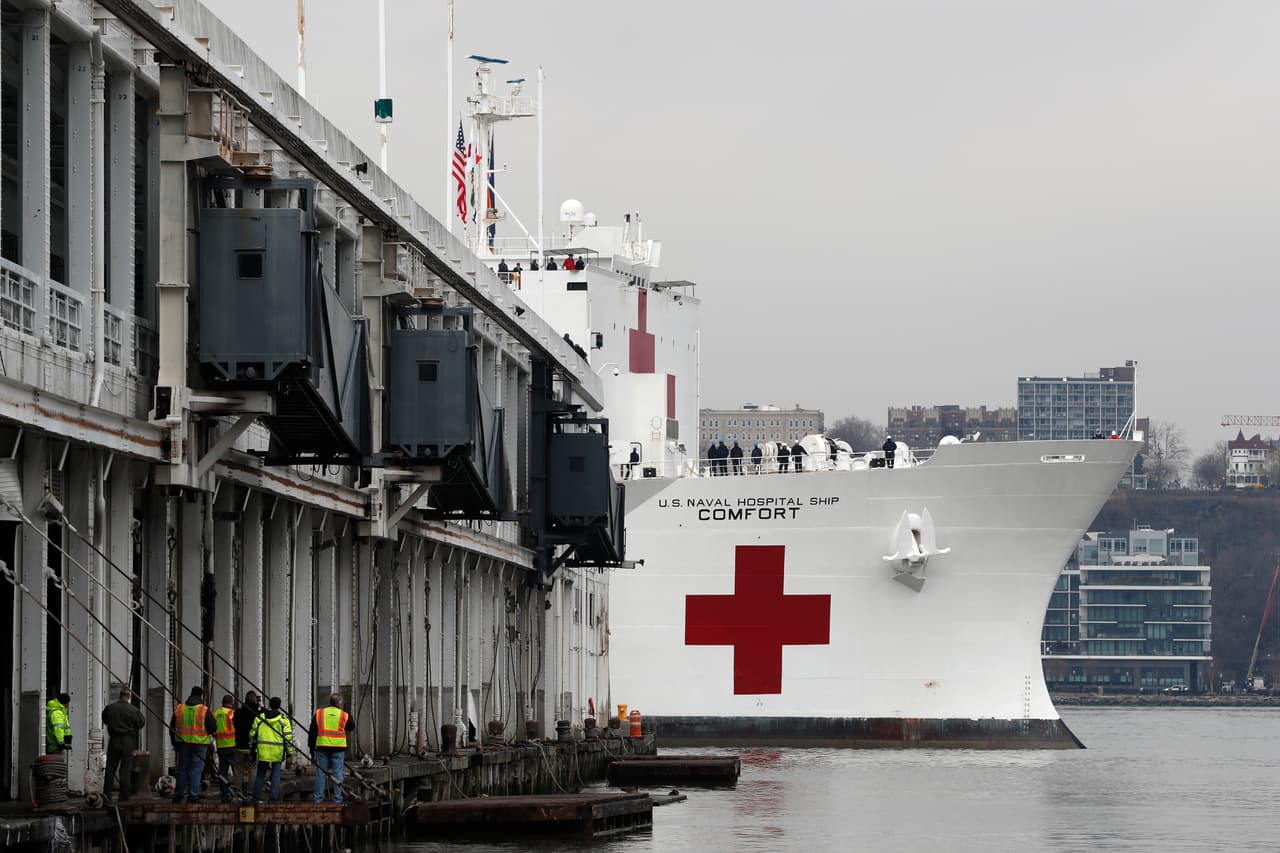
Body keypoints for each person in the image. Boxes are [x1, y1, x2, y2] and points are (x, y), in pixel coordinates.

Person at [171, 686, 216, 803]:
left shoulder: (180, 708)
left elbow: (172, 727)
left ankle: (178, 795)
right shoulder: (204, 710)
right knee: (196, 770)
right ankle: (193, 796)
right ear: (201, 696)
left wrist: (174, 743)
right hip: (200, 744)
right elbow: (213, 727)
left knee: (182, 769)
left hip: (183, 743)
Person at [102, 688, 145, 804]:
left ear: (120, 695)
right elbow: (141, 723)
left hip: (114, 739)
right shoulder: (133, 710)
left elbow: (105, 720)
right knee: (125, 769)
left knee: (110, 768)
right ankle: (124, 796)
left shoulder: (110, 708)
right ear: (129, 696)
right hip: (128, 741)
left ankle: (107, 795)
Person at [309, 693, 354, 803]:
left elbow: (312, 732)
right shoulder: (344, 715)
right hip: (338, 748)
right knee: (337, 773)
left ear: (330, 702)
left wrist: (311, 747)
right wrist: (348, 715)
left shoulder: (320, 713)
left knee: (321, 773)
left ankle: (318, 798)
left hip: (322, 747)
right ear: (339, 703)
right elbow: (351, 727)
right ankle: (337, 798)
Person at [250, 696, 293, 804]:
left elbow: (252, 734)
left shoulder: (259, 718)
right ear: (279, 706)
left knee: (260, 774)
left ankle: (255, 798)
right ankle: (272, 799)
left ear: (269, 704)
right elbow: (288, 738)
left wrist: (252, 747)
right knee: (275, 775)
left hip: (263, 750)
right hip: (277, 752)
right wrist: (289, 753)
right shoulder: (283, 720)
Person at [233, 692, 262, 795]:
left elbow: (234, 724)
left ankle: (237, 790)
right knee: (252, 770)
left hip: (240, 745)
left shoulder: (238, 712)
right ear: (255, 700)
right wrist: (261, 707)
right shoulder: (257, 714)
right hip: (252, 746)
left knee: (238, 769)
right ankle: (250, 792)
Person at [212, 694, 238, 802]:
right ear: (231, 703)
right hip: (232, 745)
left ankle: (224, 794)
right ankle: (238, 792)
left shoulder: (215, 713)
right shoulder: (232, 713)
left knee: (223, 771)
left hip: (221, 745)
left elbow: (212, 728)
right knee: (237, 770)